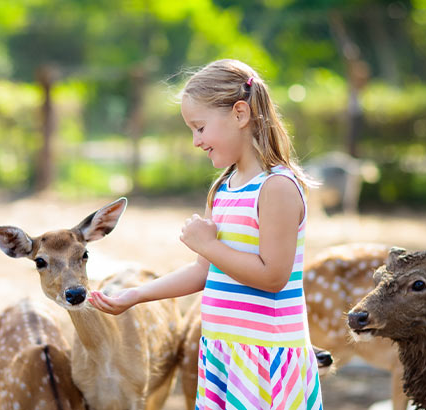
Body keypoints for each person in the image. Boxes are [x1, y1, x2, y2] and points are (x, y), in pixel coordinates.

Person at [89, 59, 323, 410]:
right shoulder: (224, 189)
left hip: (264, 359)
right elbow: (203, 271)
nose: (196, 141)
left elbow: (273, 276)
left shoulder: (277, 187)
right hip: (222, 353)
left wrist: (209, 245)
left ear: (240, 114)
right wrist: (135, 295)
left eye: (199, 127)